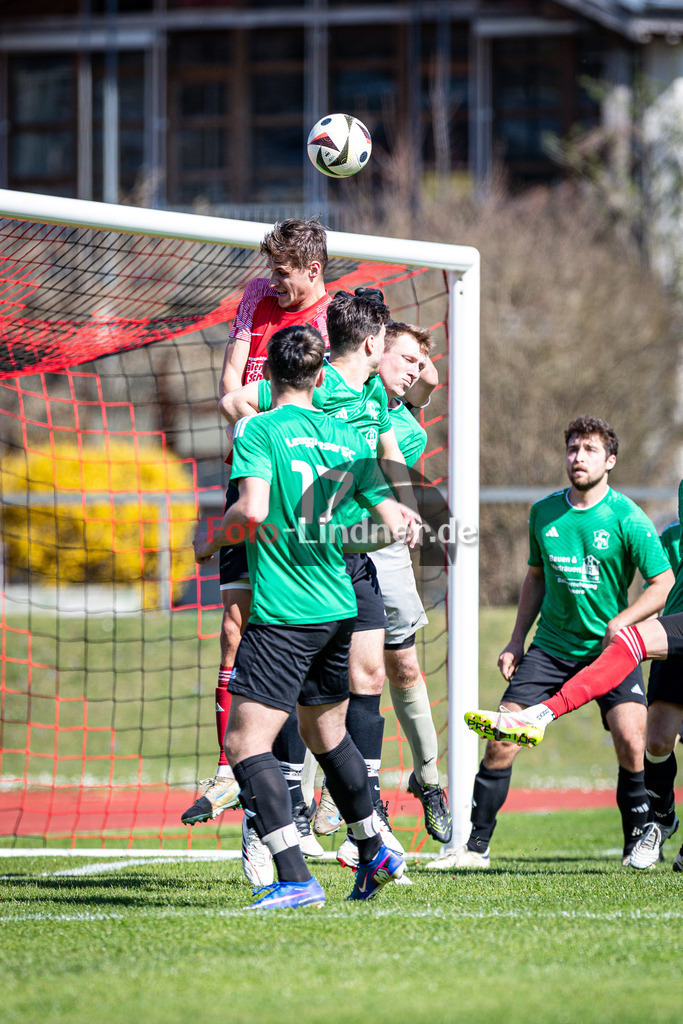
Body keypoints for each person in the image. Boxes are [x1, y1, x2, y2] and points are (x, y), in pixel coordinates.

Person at [193, 324, 409, 908]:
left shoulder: (259, 429)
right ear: (317, 378)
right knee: (326, 735)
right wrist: (333, 538)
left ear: (268, 377)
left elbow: (252, 510)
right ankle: (374, 849)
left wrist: (210, 543)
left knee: (244, 744)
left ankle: (294, 878)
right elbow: (395, 523)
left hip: (286, 613)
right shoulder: (349, 436)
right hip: (340, 607)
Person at [441, 416, 674, 870]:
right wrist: (516, 641)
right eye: (572, 449)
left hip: (611, 652)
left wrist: (623, 622)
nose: (578, 458)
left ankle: (636, 845)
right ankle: (474, 849)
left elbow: (662, 583)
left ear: (610, 460)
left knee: (633, 740)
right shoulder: (544, 512)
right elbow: (534, 578)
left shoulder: (627, 517)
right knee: (502, 739)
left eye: (589, 450)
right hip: (550, 648)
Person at [182, 218, 330, 865]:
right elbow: (227, 394)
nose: (273, 280)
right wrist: (270, 416)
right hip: (248, 479)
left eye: (283, 270)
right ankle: (231, 772)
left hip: (304, 498)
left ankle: (317, 797)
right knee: (234, 628)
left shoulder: (329, 320)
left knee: (299, 642)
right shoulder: (253, 297)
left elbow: (314, 410)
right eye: (271, 268)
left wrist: (261, 411)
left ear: (312, 270)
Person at [315, 319, 452, 844]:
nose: (416, 371)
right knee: (329, 668)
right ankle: (330, 796)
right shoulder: (346, 387)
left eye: (420, 362)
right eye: (406, 360)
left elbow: (430, 376)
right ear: (373, 352)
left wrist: (409, 349)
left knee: (403, 664)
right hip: (330, 542)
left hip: (382, 541)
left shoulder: (406, 417)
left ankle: (429, 780)